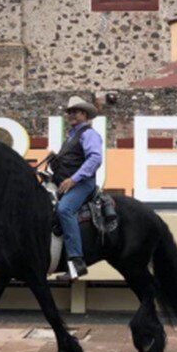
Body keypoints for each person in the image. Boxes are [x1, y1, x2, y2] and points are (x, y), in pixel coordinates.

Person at [53, 96, 103, 279]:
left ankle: (76, 261)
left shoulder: (89, 134)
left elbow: (95, 159)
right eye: (70, 112)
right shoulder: (71, 136)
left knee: (64, 209)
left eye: (76, 111)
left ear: (85, 114)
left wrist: (73, 180)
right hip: (68, 184)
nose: (72, 115)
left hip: (82, 184)